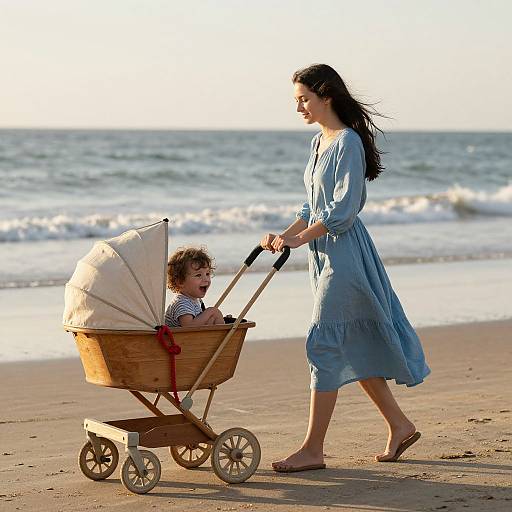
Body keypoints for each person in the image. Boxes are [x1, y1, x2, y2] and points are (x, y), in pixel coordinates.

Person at [260, 64, 431, 473]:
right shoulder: (319, 142)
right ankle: (400, 425)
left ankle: (312, 449)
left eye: (304, 98)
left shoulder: (348, 142)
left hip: (346, 256)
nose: (299, 107)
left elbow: (344, 210)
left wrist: (301, 239)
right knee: (348, 342)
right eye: (296, 100)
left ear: (326, 96)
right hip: (323, 254)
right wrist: (283, 235)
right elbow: (312, 206)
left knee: (324, 342)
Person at [165, 247, 225, 327]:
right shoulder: (182, 303)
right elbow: (189, 328)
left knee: (213, 317)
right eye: (198, 275)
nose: (206, 279)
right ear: (180, 281)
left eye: (207, 274)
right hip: (178, 339)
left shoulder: (196, 300)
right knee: (213, 314)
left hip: (189, 339)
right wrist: (211, 311)